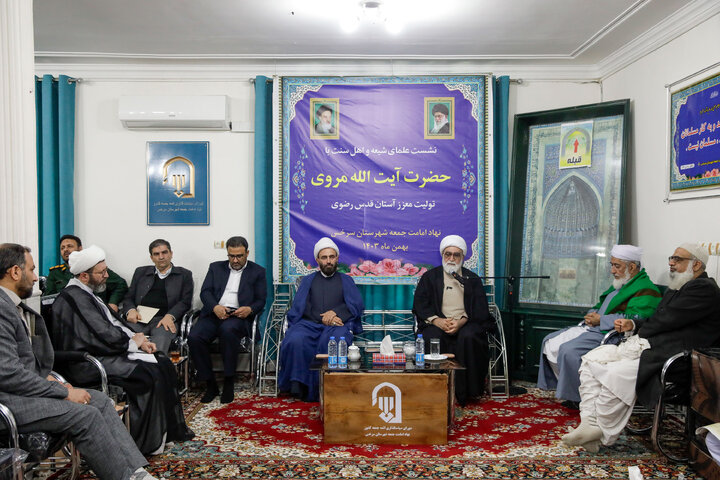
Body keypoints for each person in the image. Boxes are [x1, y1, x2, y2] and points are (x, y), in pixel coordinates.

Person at [0, 243, 156, 480]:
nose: (36, 278)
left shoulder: (11, 305)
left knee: (101, 400)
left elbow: (22, 363)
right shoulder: (2, 309)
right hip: (10, 400)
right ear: (14, 272)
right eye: (31, 270)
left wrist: (50, 378)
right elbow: (8, 374)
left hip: (26, 390)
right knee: (87, 414)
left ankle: (135, 470)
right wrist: (61, 392)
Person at [562, 243, 720, 453]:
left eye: (677, 259)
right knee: (592, 361)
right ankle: (589, 424)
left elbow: (667, 321)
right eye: (671, 258)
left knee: (614, 373)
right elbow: (659, 319)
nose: (671, 263)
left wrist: (639, 332)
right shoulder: (679, 286)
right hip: (654, 346)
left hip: (676, 357)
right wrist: (634, 325)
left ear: (697, 264)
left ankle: (601, 429)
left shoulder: (703, 288)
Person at [51, 245, 194, 456]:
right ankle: (144, 442)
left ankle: (165, 433)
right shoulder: (74, 297)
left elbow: (113, 325)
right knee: (148, 374)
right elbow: (101, 334)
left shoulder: (86, 293)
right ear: (83, 275)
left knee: (162, 362)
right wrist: (133, 342)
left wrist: (138, 341)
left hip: (105, 351)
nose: (107, 276)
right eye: (101, 273)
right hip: (87, 362)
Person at [537, 245, 661, 406]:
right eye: (612, 265)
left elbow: (635, 319)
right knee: (549, 342)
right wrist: (592, 314)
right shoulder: (623, 282)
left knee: (568, 351)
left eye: (617, 266)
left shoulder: (645, 289)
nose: (612, 270)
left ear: (632, 266)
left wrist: (600, 320)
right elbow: (601, 305)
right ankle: (570, 387)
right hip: (594, 328)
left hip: (611, 334)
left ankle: (578, 398)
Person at [278, 237, 364, 402]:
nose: (328, 261)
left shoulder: (346, 280)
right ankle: (298, 387)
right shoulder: (308, 280)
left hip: (338, 324)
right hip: (310, 323)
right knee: (295, 339)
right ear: (317, 260)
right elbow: (301, 306)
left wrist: (335, 313)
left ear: (337, 258)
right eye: (324, 258)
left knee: (337, 340)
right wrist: (324, 318)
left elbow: (355, 305)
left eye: (332, 257)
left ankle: (332, 386)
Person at [412, 235, 495, 405]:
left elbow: (480, 310)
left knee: (469, 336)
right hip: (437, 323)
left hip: (465, 323)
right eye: (448, 254)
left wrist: (461, 322)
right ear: (442, 255)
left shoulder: (472, 279)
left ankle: (467, 392)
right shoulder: (430, 277)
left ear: (462, 257)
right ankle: (434, 388)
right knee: (432, 336)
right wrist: (437, 321)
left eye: (456, 255)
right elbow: (420, 305)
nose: (451, 258)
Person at [188, 236, 267, 404]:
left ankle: (229, 381)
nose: (235, 260)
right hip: (215, 313)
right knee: (195, 337)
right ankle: (210, 384)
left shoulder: (257, 271)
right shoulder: (215, 268)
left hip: (238, 316)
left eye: (239, 256)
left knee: (228, 331)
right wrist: (215, 307)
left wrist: (250, 309)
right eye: (231, 256)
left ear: (247, 253)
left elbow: (261, 300)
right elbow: (205, 292)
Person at [122, 239, 193, 353]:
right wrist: (130, 310)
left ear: (171, 254)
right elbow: (128, 297)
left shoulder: (184, 274)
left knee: (158, 346)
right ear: (151, 257)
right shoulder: (141, 272)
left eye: (164, 252)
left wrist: (170, 316)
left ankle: (155, 370)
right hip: (139, 318)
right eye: (156, 254)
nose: (161, 257)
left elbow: (185, 302)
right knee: (121, 337)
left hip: (164, 320)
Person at [44, 234, 128, 312]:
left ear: (80, 249)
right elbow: (48, 300)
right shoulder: (55, 273)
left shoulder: (95, 267)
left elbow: (121, 284)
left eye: (69, 246)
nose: (65, 249)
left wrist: (113, 303)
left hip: (97, 311)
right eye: (62, 248)